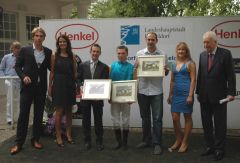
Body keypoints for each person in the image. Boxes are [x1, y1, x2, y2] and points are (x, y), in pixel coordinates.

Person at [10, 27, 52, 155]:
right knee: (23, 116)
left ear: (44, 38)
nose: (39, 38)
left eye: (41, 36)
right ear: (33, 37)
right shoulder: (25, 50)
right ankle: (18, 143)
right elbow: (17, 67)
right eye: (37, 36)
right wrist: (23, 77)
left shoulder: (48, 52)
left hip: (41, 89)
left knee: (39, 115)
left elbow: (52, 68)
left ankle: (35, 140)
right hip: (27, 88)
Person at [196, 31, 236, 161]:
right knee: (206, 124)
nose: (205, 45)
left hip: (220, 97)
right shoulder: (202, 56)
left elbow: (231, 75)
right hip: (204, 97)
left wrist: (231, 92)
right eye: (203, 42)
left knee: (219, 125)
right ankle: (210, 147)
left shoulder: (225, 54)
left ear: (214, 41)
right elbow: (200, 76)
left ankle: (219, 149)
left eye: (207, 42)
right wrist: (198, 92)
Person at [135, 32, 169, 155]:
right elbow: (136, 72)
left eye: (152, 39)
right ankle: (146, 140)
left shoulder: (163, 54)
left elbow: (166, 73)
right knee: (145, 118)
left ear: (156, 40)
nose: (150, 41)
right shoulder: (139, 54)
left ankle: (157, 143)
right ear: (146, 40)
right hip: (142, 90)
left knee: (157, 119)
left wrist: (165, 70)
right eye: (148, 39)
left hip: (156, 91)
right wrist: (136, 67)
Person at [77, 43, 109, 151]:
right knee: (86, 120)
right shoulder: (82, 65)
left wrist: (101, 95)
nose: (95, 53)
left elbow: (105, 82)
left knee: (98, 120)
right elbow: (78, 79)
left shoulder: (104, 67)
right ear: (90, 52)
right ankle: (87, 140)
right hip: (85, 98)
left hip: (98, 99)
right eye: (93, 51)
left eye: (97, 51)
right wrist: (81, 86)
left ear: (100, 53)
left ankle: (99, 141)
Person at [48, 35, 77, 147]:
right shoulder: (54, 56)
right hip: (58, 85)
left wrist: (76, 86)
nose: (62, 43)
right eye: (60, 42)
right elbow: (52, 73)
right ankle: (59, 136)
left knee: (69, 111)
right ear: (58, 44)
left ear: (67, 43)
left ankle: (69, 134)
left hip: (69, 85)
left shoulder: (72, 56)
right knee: (59, 112)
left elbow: (74, 72)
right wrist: (50, 86)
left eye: (64, 41)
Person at [167, 42, 196, 153]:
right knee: (175, 118)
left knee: (187, 118)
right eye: (179, 49)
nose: (180, 51)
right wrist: (170, 94)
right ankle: (178, 140)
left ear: (186, 51)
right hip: (176, 94)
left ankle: (185, 142)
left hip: (186, 94)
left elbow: (193, 80)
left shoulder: (191, 63)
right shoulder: (172, 64)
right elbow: (172, 80)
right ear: (176, 51)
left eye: (183, 49)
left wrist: (190, 95)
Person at [109, 45, 134, 150]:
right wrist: (109, 95)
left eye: (123, 53)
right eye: (119, 53)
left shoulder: (131, 67)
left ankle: (125, 143)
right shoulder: (112, 66)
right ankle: (118, 142)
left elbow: (133, 82)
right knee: (115, 119)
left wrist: (131, 97)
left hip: (126, 97)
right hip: (114, 97)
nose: (121, 55)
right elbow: (109, 82)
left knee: (125, 119)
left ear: (127, 54)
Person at [0, 41, 21, 125]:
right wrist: (5, 78)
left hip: (19, 81)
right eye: (15, 48)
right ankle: (9, 118)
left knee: (20, 101)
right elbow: (1, 68)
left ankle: (20, 117)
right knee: (10, 100)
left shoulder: (22, 57)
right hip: (9, 80)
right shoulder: (6, 57)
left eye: (18, 48)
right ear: (12, 48)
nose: (17, 49)